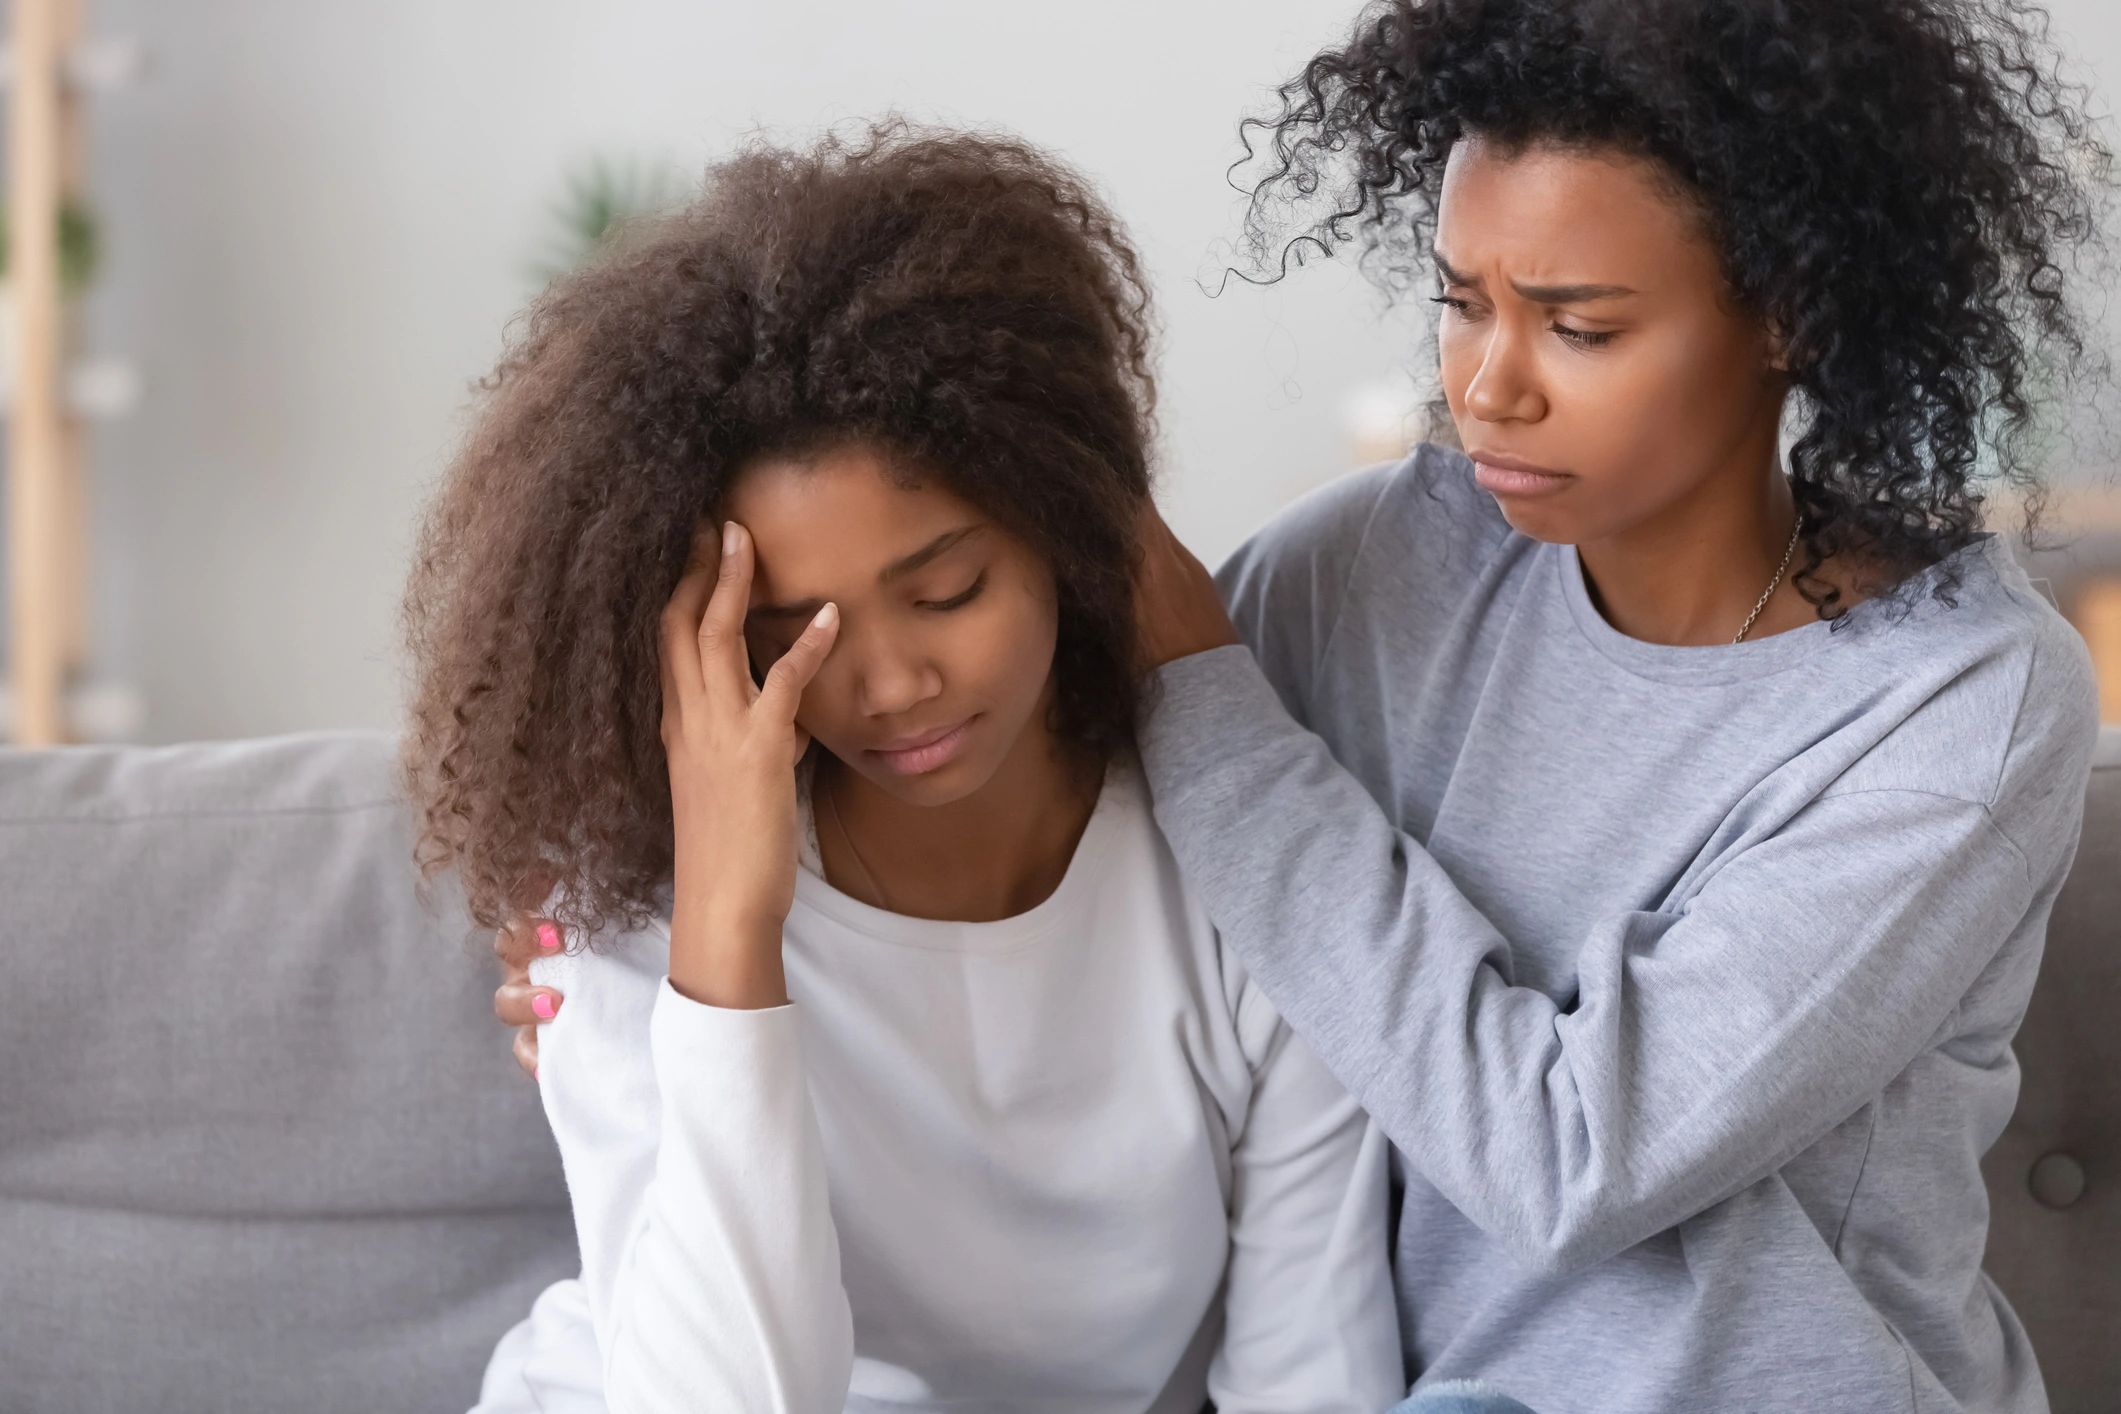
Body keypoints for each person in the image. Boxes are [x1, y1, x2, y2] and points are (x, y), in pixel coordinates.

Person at [493, 1, 2116, 1410]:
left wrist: (1189, 673)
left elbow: (1580, 1155)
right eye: (1461, 299)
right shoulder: (1385, 561)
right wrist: (658, 970)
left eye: (1577, 324)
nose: (1486, 384)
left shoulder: (1958, 705)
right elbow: (1062, 735)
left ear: (1793, 313)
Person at [403, 125, 1420, 1413]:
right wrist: (726, 934)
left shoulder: (1245, 871)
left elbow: (1315, 1374)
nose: (890, 686)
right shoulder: (626, 910)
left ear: (1063, 523)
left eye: (947, 591)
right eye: (791, 640)